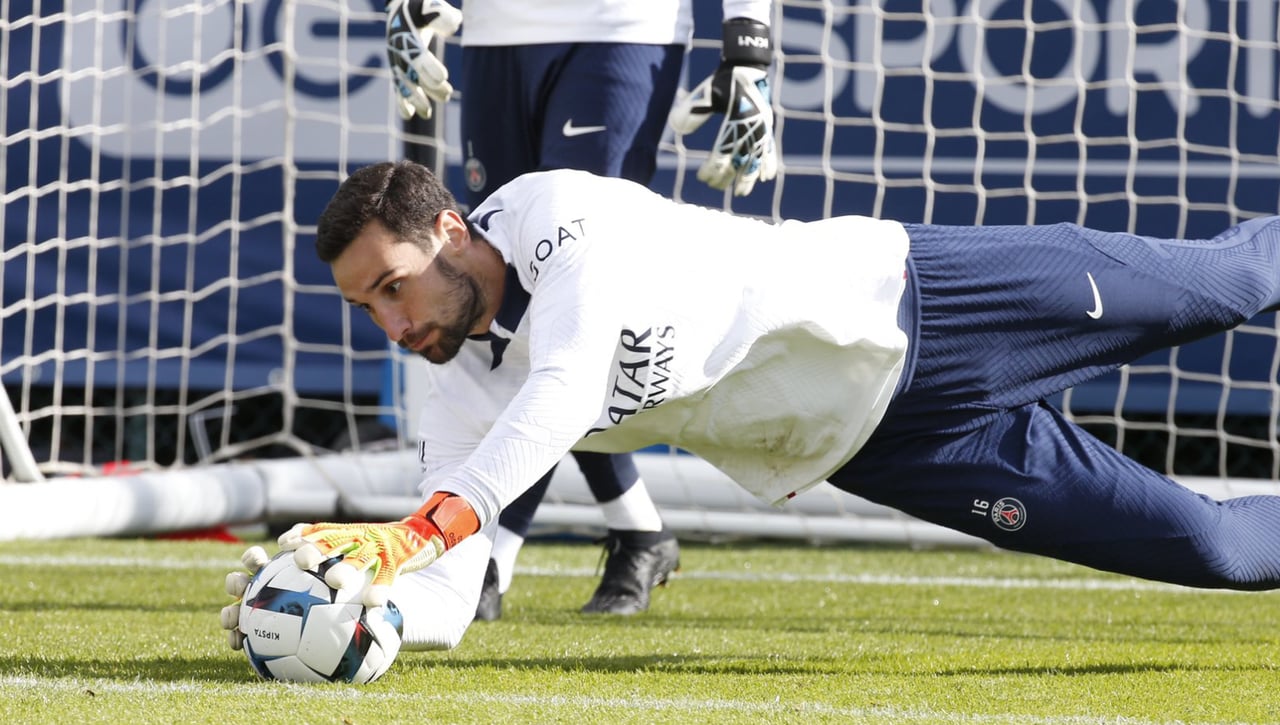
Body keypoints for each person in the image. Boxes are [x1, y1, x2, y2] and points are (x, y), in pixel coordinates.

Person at [259, 160, 1280, 618]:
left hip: (929, 296)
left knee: (1235, 281)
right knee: (1215, 551)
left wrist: (421, 524)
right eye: (368, 310)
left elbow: (567, 385)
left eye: (391, 288)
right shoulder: (456, 378)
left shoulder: (554, 212)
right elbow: (441, 589)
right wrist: (333, 596)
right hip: (888, 448)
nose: (394, 325)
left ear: (447, 229)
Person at [380, 0, 779, 618]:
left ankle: (496, 556)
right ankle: (636, 531)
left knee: (571, 307)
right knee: (499, 304)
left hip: (620, 27)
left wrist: (749, 42)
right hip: (493, 31)